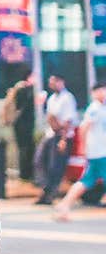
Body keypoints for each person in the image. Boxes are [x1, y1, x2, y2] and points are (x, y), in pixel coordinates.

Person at [54, 82, 106, 220]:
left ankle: (64, 205)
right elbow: (84, 127)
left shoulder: (101, 108)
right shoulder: (94, 108)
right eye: (99, 91)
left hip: (99, 152)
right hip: (99, 152)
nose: (102, 93)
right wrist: (83, 147)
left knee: (86, 181)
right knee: (86, 181)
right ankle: (64, 205)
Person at [34, 73, 79, 205]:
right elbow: (50, 117)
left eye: (54, 82)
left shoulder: (67, 98)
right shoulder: (52, 98)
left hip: (62, 136)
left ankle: (50, 195)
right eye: (50, 82)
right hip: (50, 134)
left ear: (61, 82)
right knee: (39, 161)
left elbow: (68, 121)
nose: (52, 84)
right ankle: (45, 189)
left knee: (56, 167)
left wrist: (63, 139)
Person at [3, 67, 36, 182]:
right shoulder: (24, 89)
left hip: (19, 124)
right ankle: (25, 174)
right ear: (29, 77)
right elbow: (24, 107)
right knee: (25, 148)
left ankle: (25, 173)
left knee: (25, 148)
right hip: (23, 125)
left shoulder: (20, 88)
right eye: (34, 76)